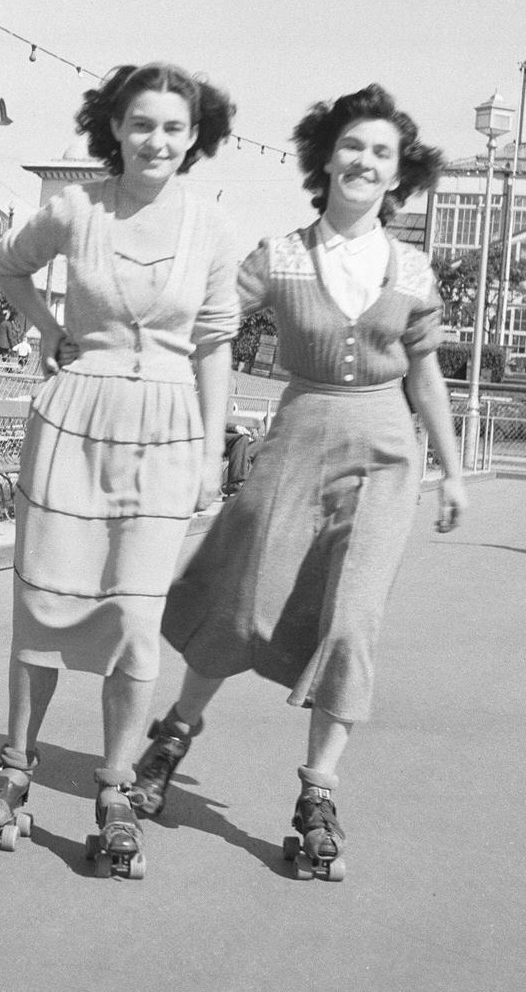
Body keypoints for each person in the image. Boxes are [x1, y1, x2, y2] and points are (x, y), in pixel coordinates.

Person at [130, 83, 468, 881]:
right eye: (353, 146)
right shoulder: (279, 253)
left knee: (352, 621)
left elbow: (426, 378)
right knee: (243, 605)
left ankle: (318, 793)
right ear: (327, 158)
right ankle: (173, 735)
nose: (365, 160)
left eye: (382, 152)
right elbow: (208, 322)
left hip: (385, 457)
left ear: (397, 175)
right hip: (295, 444)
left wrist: (452, 471)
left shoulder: (412, 267)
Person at [0, 62, 239, 877]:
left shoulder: (212, 228)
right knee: (43, 600)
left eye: (174, 128)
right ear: (114, 127)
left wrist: (209, 455)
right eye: (142, 123)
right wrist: (49, 327)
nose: (157, 140)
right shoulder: (77, 208)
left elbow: (216, 341)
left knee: (133, 616)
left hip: (164, 430)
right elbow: (3, 264)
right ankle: (14, 767)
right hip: (73, 419)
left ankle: (116, 787)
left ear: (196, 138)